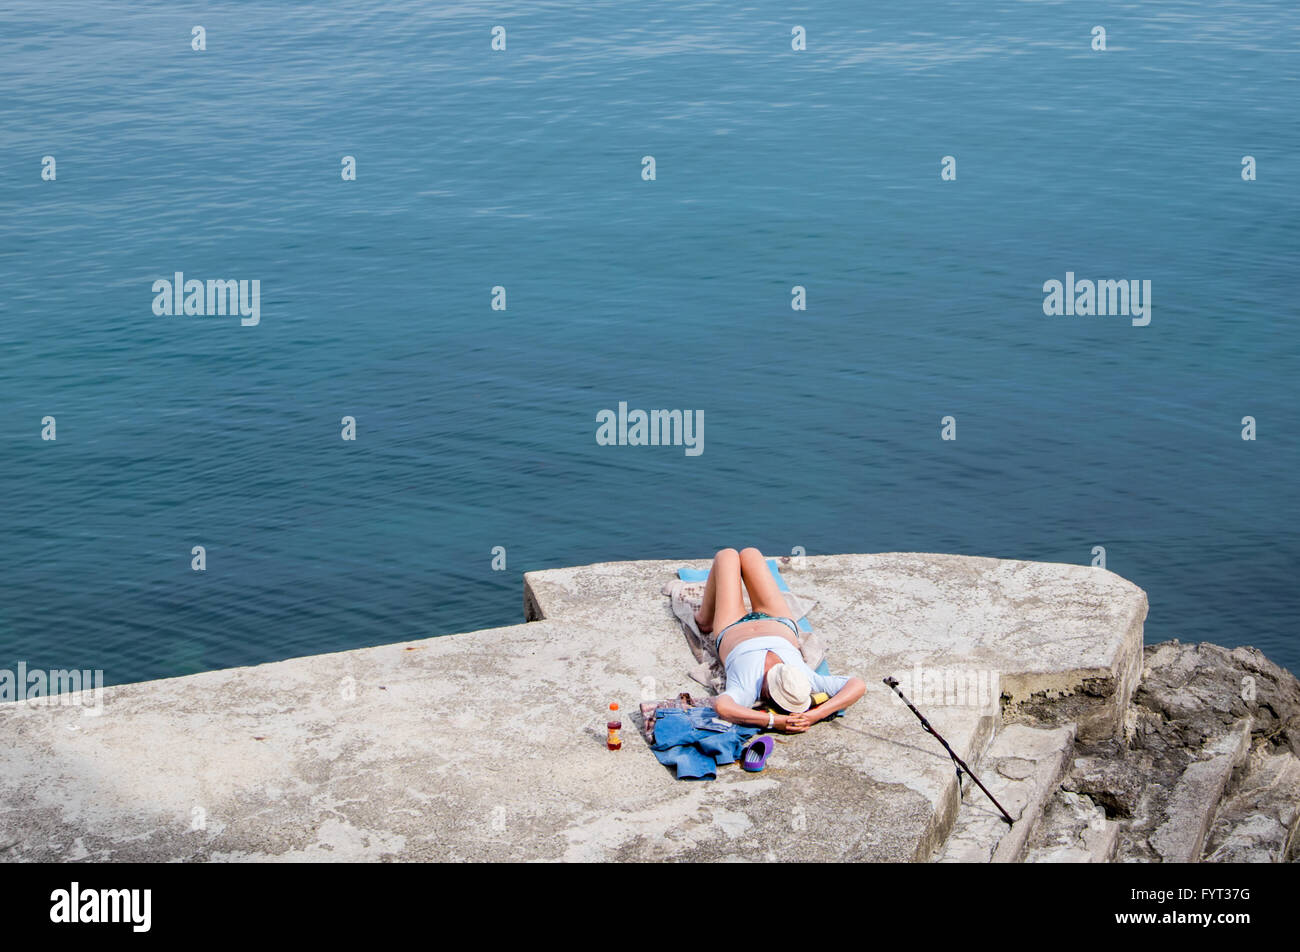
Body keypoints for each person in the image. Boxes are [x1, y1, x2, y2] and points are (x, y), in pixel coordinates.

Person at [693, 547, 866, 732]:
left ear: (768, 693)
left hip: (732, 626)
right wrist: (817, 714)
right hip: (778, 621)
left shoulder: (747, 689)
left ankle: (704, 619)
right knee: (750, 554)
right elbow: (857, 685)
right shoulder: (807, 680)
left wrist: (772, 721)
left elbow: (722, 707)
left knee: (726, 556)